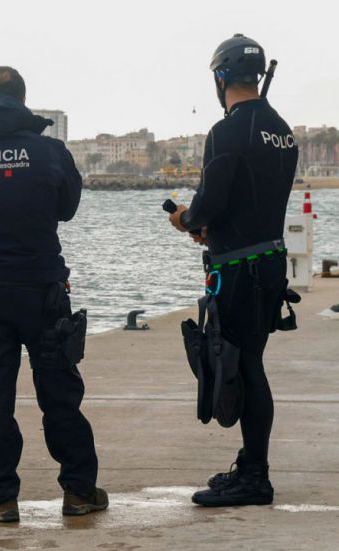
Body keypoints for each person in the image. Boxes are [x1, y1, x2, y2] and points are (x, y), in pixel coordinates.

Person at [0, 66, 107, 522]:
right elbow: (68, 208)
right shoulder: (49, 151)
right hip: (41, 292)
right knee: (59, 395)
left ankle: (1, 499)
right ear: (22, 98)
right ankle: (79, 491)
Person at [168, 34, 298, 507]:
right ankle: (250, 465)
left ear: (220, 77)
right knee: (251, 362)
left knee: (244, 366)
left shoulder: (226, 131)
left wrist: (187, 220)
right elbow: (252, 200)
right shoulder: (282, 129)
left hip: (239, 270)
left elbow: (211, 203)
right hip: (269, 263)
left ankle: (255, 478)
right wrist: (213, 227)